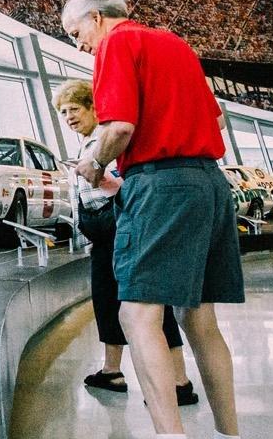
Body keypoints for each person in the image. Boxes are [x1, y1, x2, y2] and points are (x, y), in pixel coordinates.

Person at [63, 0, 258, 439]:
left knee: (137, 315)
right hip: (209, 183)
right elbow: (215, 120)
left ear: (98, 20)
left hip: (160, 184)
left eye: (77, 33)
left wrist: (93, 164)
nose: (80, 46)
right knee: (200, 320)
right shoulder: (174, 44)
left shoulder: (116, 46)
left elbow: (120, 127)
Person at [55, 80, 197, 406]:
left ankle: (178, 381)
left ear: (93, 107)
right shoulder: (87, 144)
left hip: (121, 224)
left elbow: (126, 185)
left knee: (148, 300)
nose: (69, 117)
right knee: (106, 300)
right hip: (103, 233)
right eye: (63, 112)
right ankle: (111, 370)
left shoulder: (109, 141)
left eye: (74, 109)